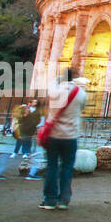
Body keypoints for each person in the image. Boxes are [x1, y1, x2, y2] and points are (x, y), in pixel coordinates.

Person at [39, 69, 87, 211]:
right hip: (71, 136)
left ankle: (49, 200)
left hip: (53, 135)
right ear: (75, 78)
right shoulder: (81, 93)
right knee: (67, 168)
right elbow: (82, 109)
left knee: (52, 167)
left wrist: (59, 78)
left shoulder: (55, 89)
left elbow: (51, 85)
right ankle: (64, 200)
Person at [0, 101, 38, 180]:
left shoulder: (24, 116)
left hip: (24, 134)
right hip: (23, 134)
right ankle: (30, 173)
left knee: (28, 153)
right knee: (30, 154)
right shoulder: (23, 117)